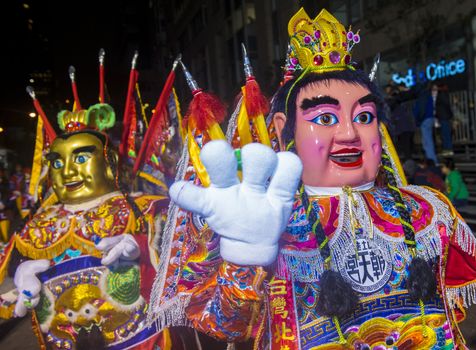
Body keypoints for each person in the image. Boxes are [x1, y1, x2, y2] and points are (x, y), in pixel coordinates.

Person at [149, 8, 476, 349]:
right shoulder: (268, 219)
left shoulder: (427, 211)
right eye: (325, 118)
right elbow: (224, 325)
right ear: (281, 128)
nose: (350, 133)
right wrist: (244, 257)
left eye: (364, 116)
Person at [0, 104, 170, 349]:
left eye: (81, 158)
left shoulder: (146, 210)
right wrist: (22, 278)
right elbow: (17, 292)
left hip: (138, 340)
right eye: (57, 163)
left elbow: (187, 267)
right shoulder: (36, 226)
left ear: (109, 162)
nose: (68, 172)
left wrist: (144, 248)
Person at [414, 83, 438, 164]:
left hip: (425, 119)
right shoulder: (427, 95)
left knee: (427, 142)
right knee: (427, 141)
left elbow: (420, 109)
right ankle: (431, 161)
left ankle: (433, 162)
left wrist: (418, 119)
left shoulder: (422, 96)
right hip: (429, 118)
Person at [432, 83, 454, 157]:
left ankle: (448, 150)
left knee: (445, 134)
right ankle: (448, 150)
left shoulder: (441, 95)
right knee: (445, 133)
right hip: (444, 116)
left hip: (443, 116)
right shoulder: (443, 94)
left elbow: (445, 105)